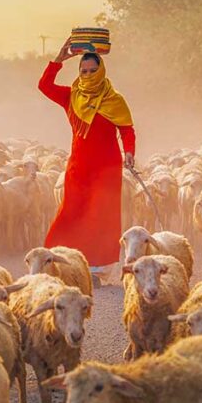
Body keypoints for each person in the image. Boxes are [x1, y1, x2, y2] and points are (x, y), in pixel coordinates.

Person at [38, 39, 135, 280]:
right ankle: (61, 259)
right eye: (84, 71)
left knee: (101, 214)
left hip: (108, 167)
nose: (88, 75)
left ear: (101, 71)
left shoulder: (115, 100)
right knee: (71, 212)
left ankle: (96, 269)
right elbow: (44, 86)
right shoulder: (70, 96)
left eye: (93, 71)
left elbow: (127, 130)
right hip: (79, 166)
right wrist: (58, 59)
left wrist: (130, 151)